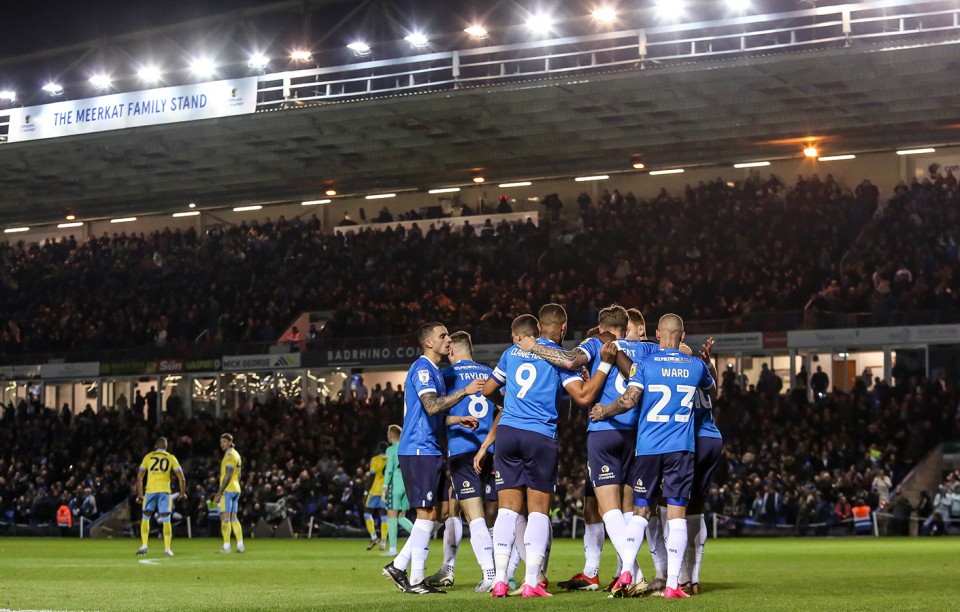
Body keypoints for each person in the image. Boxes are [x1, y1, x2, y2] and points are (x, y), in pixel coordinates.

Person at [590, 314, 716, 599]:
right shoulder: (695, 365)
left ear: (658, 334)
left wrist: (604, 411)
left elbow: (629, 400)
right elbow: (711, 389)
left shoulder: (645, 365)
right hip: (681, 448)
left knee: (641, 512)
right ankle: (673, 584)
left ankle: (626, 572)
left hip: (648, 448)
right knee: (676, 516)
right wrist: (707, 362)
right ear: (682, 336)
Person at [528, 305, 644, 594]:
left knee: (608, 508)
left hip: (604, 432)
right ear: (627, 326)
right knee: (621, 508)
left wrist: (535, 347)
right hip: (636, 435)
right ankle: (609, 572)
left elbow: (568, 360)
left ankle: (631, 571)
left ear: (601, 326)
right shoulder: (644, 349)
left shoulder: (595, 343)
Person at [485, 307, 582, 598]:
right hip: (539, 435)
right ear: (563, 328)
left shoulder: (511, 353)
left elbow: (489, 388)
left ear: (538, 326)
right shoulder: (560, 360)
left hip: (508, 433)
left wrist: (504, 403)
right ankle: (531, 583)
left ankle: (500, 581)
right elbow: (581, 394)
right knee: (538, 511)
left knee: (506, 510)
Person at [382, 322, 484, 595]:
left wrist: (457, 418)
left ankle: (399, 566)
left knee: (438, 512)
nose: (448, 339)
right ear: (428, 342)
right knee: (426, 513)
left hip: (431, 448)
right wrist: (464, 391)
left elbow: (434, 413)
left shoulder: (436, 373)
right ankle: (415, 579)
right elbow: (430, 405)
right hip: (418, 449)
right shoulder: (423, 369)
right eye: (443, 336)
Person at [425, 331, 498, 592]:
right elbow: (503, 409)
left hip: (462, 450)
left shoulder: (447, 376)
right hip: (490, 450)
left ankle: (491, 574)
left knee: (472, 514)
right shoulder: (490, 373)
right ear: (472, 350)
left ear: (452, 351)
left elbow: (433, 413)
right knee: (468, 511)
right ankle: (448, 569)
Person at [136, 436, 186, 557]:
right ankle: (167, 548)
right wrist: (183, 493)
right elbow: (181, 478)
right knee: (166, 518)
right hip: (164, 491)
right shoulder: (171, 458)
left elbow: (139, 477)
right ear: (166, 446)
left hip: (150, 491)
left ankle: (144, 545)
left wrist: (140, 495)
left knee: (146, 516)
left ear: (155, 446)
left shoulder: (148, 457)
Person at [383, 424, 413, 557]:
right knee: (401, 516)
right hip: (407, 484)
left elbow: (389, 470)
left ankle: (393, 549)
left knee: (392, 516)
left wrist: (384, 487)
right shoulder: (408, 447)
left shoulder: (390, 450)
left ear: (390, 436)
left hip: (395, 484)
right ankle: (421, 537)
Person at [213, 433, 244, 553]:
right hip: (236, 489)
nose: (222, 444)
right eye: (221, 442)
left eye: (224, 442)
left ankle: (226, 546)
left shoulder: (229, 455)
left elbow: (229, 474)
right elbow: (239, 474)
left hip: (228, 490)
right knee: (233, 518)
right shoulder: (237, 454)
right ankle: (240, 545)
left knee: (225, 518)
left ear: (230, 442)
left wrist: (220, 492)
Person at [364, 442, 389, 551]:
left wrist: (365, 492)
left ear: (378, 448)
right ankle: (383, 543)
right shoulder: (391, 458)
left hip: (375, 490)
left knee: (367, 512)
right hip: (386, 489)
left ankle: (374, 537)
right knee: (383, 515)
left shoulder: (375, 459)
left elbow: (371, 477)